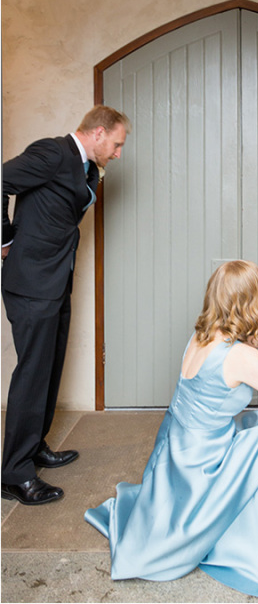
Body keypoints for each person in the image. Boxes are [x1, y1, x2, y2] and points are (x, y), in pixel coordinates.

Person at [85, 260, 258, 598]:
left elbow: (250, 340)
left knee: (253, 422)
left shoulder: (202, 333)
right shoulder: (240, 358)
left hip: (174, 452)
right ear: (250, 301)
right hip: (203, 465)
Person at [2, 105, 130, 506]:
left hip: (56, 281)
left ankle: (33, 447)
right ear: (98, 133)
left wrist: (97, 171)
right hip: (32, 283)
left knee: (49, 368)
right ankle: (14, 474)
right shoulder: (53, 152)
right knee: (32, 374)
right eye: (117, 144)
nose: (118, 153)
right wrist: (4, 239)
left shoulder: (83, 165)